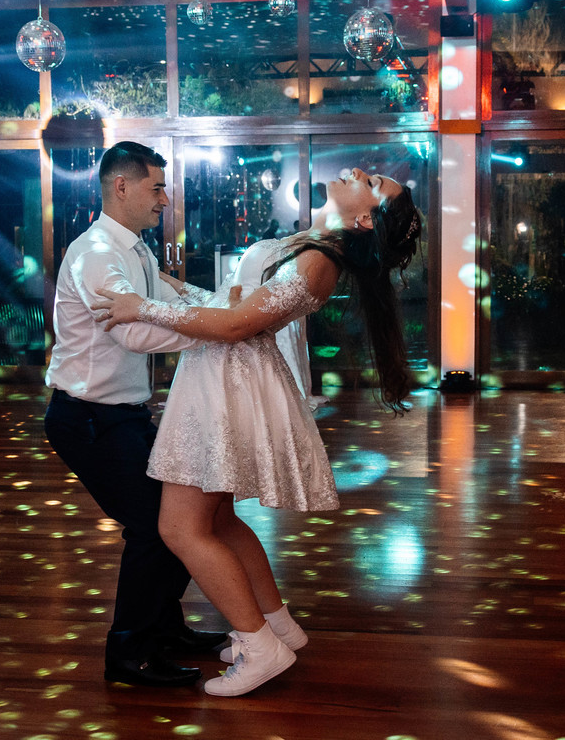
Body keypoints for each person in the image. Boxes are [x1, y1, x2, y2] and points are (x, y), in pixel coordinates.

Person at [93, 166, 422, 697]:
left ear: (365, 217)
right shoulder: (313, 243)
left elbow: (236, 326)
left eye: (376, 181)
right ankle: (277, 625)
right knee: (217, 518)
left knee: (181, 529)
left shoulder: (320, 261)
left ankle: (258, 646)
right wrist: (178, 288)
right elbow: (239, 304)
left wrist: (143, 306)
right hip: (224, 379)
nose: (362, 171)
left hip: (227, 389)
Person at [42, 141, 227, 688]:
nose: (165, 199)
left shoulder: (139, 250)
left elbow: (174, 297)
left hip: (120, 415)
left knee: (176, 524)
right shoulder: (98, 253)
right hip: (87, 419)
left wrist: (229, 309)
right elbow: (138, 331)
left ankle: (165, 630)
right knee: (156, 527)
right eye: (157, 187)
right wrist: (213, 331)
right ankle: (127, 654)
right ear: (121, 187)